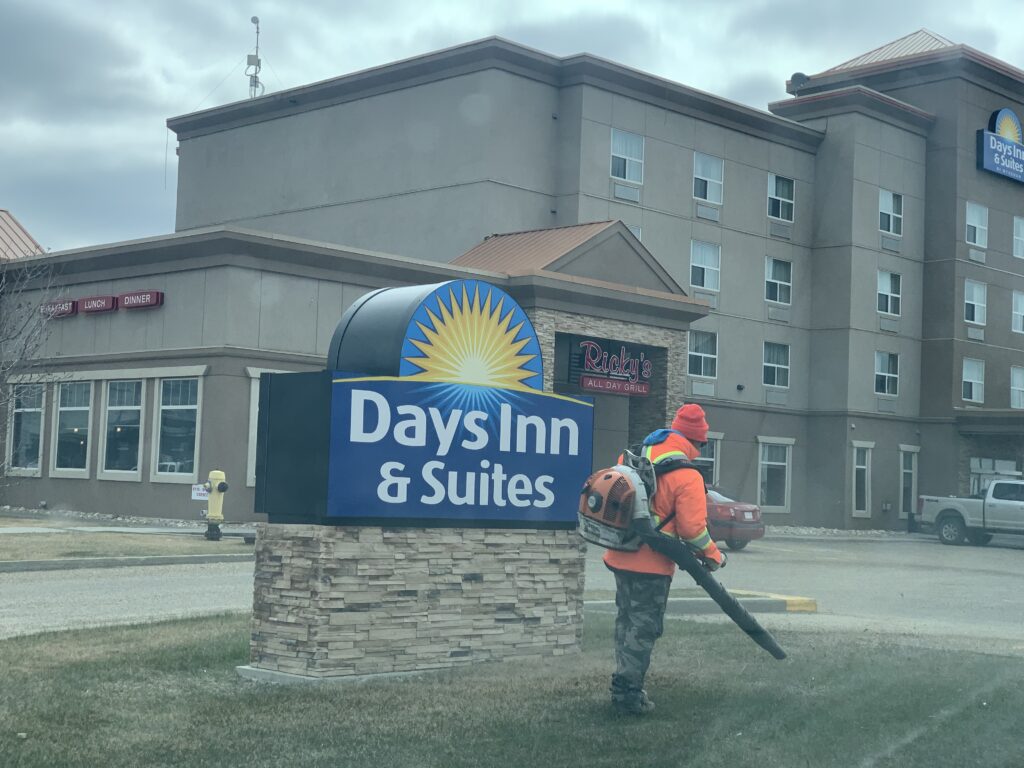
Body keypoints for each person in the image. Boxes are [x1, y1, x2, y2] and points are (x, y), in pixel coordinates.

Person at [603, 402, 726, 715]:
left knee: (626, 622)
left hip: (620, 554)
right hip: (651, 566)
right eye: (703, 442)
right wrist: (714, 556)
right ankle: (627, 697)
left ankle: (624, 684)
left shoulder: (633, 456)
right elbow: (693, 530)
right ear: (696, 440)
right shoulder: (687, 476)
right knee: (643, 629)